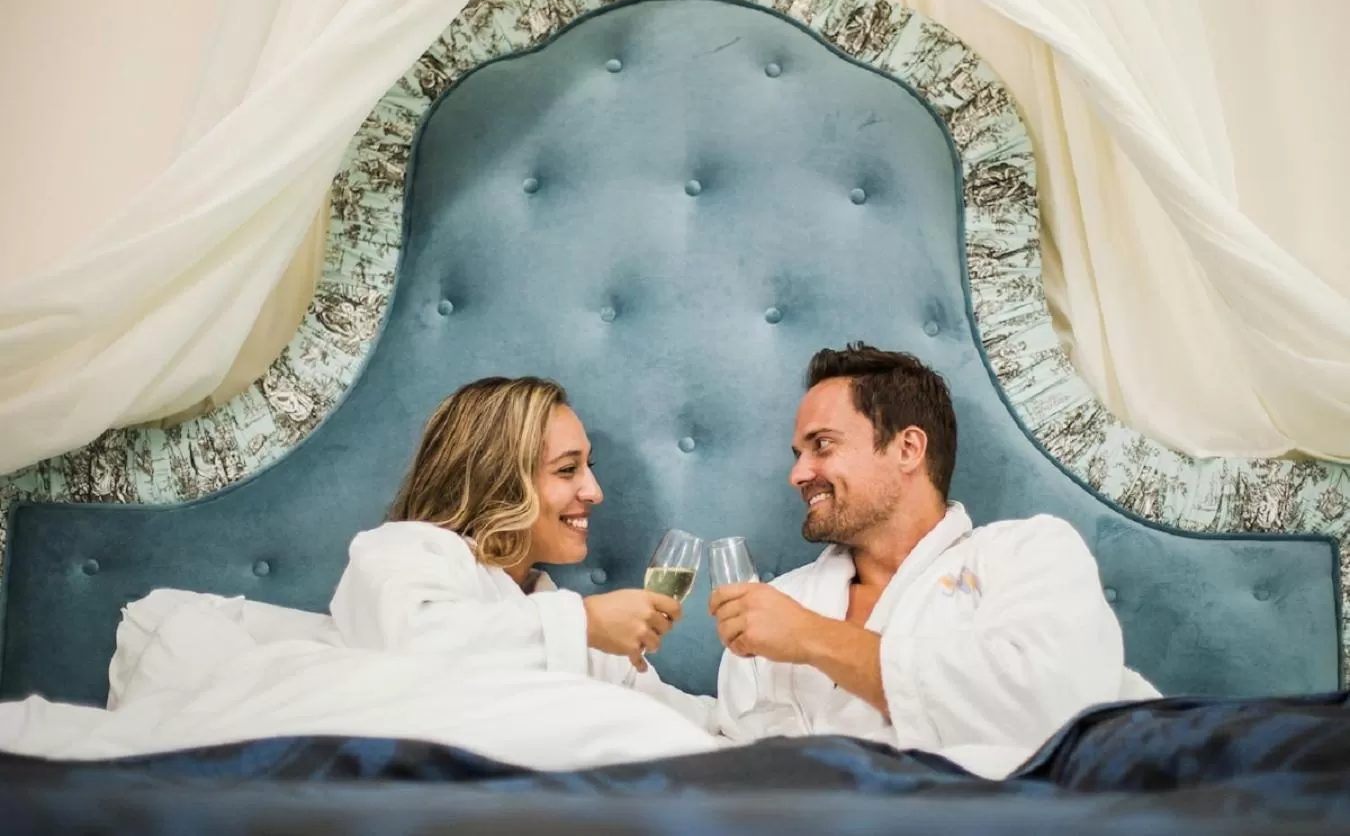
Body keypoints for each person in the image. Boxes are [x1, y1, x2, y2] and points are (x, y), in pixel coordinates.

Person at [707, 343, 1158, 777]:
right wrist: (635, 670)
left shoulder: (1027, 553)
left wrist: (811, 636)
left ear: (908, 449)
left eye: (822, 445)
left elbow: (1050, 711)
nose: (798, 474)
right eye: (798, 454)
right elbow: (732, 748)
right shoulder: (778, 602)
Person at [330, 375, 698, 704]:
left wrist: (753, 650)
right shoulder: (398, 552)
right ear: (497, 479)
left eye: (589, 467)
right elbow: (416, 649)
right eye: (567, 469)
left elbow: (685, 721)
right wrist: (584, 623)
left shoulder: (554, 607)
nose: (595, 492)